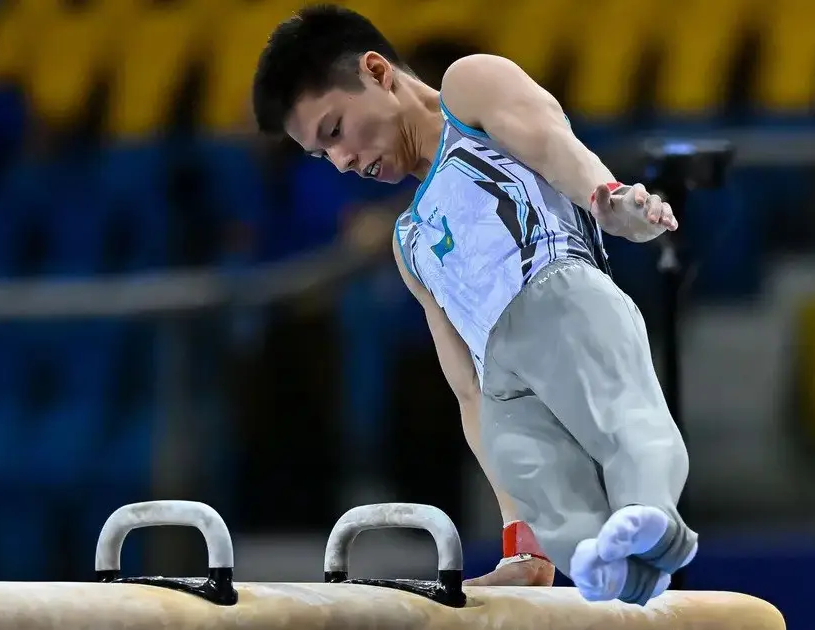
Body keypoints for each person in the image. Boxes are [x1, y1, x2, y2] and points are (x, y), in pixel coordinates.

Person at [252, 4, 697, 606]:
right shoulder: (409, 243)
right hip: (502, 379)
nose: (342, 161)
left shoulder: (469, 92)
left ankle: (653, 518)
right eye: (319, 154)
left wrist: (607, 197)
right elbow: (467, 393)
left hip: (561, 297)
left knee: (622, 416)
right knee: (526, 461)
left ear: (377, 72)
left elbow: (553, 145)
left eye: (334, 131)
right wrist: (522, 547)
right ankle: (606, 564)